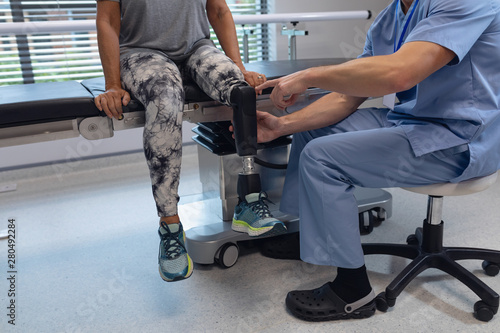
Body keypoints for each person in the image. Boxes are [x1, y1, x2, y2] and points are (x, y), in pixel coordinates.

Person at [255, 0, 500, 322]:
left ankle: (353, 292)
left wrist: (310, 76)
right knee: (313, 131)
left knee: (322, 157)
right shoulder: (390, 17)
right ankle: (308, 233)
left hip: (461, 137)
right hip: (412, 120)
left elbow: (400, 74)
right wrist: (283, 126)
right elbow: (347, 95)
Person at [94, 0, 286, 282]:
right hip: (141, 53)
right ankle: (170, 226)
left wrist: (239, 66)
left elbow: (218, 10)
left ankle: (249, 200)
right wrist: (112, 83)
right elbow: (108, 20)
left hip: (198, 48)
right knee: (165, 102)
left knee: (240, 89)